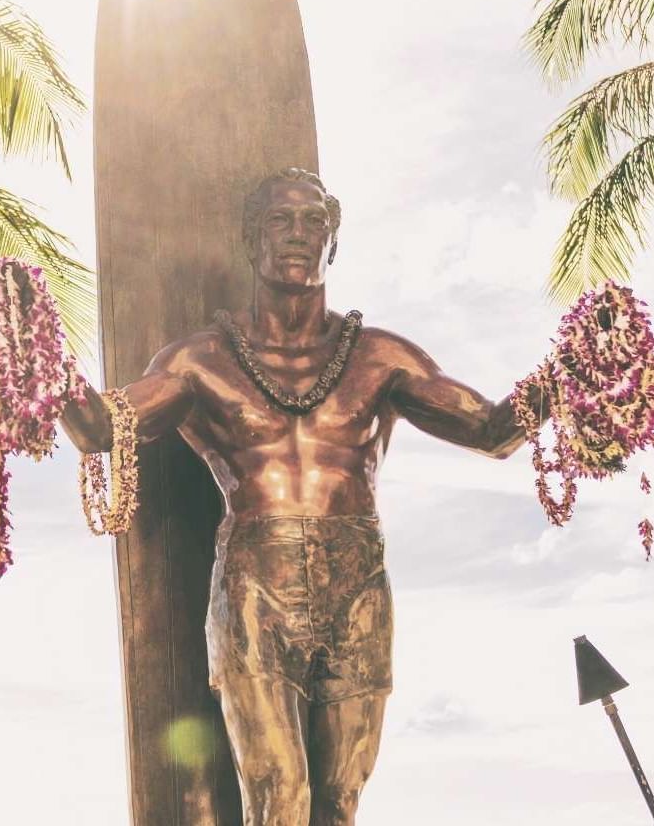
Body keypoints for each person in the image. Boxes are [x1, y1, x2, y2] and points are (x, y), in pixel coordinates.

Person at [60, 167, 541, 826]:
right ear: (252, 239)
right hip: (258, 585)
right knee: (279, 795)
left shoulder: (381, 356)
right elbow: (103, 427)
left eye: (313, 221)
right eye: (280, 221)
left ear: (334, 241)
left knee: (339, 803)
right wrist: (37, 366)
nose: (297, 235)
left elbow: (491, 430)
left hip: (358, 584)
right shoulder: (199, 361)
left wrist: (569, 374)